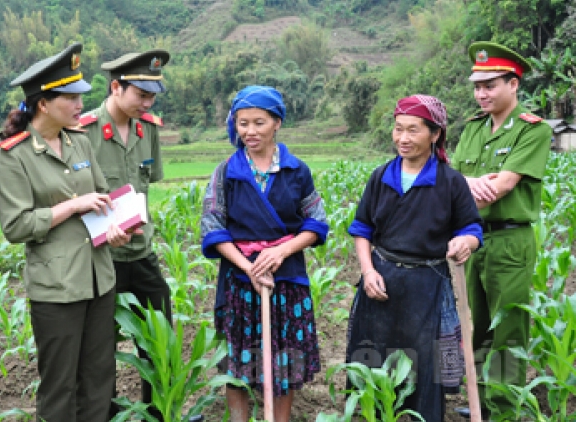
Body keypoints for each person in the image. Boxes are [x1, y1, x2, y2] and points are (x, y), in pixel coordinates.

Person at [0, 43, 134, 421]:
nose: (79, 104)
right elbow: (16, 225)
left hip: (99, 279)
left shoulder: (80, 141)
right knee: (59, 386)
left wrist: (116, 229)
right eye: (71, 97)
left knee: (100, 379)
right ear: (44, 103)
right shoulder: (15, 155)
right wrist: (71, 206)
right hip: (57, 289)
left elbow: (102, 198)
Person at [345, 95, 483, 422]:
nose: (403, 139)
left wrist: (466, 241)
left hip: (428, 284)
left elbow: (473, 227)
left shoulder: (450, 182)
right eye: (398, 129)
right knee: (373, 360)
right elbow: (362, 229)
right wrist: (367, 271)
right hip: (382, 280)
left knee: (426, 367)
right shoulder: (381, 177)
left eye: (413, 130)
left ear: (435, 134)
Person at [201, 85, 329, 422]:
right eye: (242, 123)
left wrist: (281, 251)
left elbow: (317, 221)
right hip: (239, 282)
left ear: (277, 123)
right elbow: (212, 225)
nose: (250, 132)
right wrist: (249, 267)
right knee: (236, 361)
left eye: (258, 122)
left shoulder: (296, 171)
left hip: (286, 279)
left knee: (284, 362)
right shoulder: (226, 171)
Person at [452, 42, 552, 419]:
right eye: (478, 86)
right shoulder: (473, 129)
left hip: (510, 240)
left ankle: (504, 408)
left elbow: (502, 186)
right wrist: (470, 181)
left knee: (508, 328)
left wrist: (466, 183)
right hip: (472, 238)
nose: (482, 94)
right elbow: (449, 180)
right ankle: (480, 404)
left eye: (491, 85)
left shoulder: (533, 131)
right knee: (476, 327)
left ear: (514, 84)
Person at [76, 49, 171, 418]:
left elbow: (146, 186)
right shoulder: (82, 132)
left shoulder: (148, 129)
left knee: (158, 340)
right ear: (116, 87)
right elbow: (72, 197)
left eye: (152, 97)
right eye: (141, 95)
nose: (147, 104)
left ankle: (158, 412)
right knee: (102, 349)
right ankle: (108, 414)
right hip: (102, 260)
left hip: (142, 254)